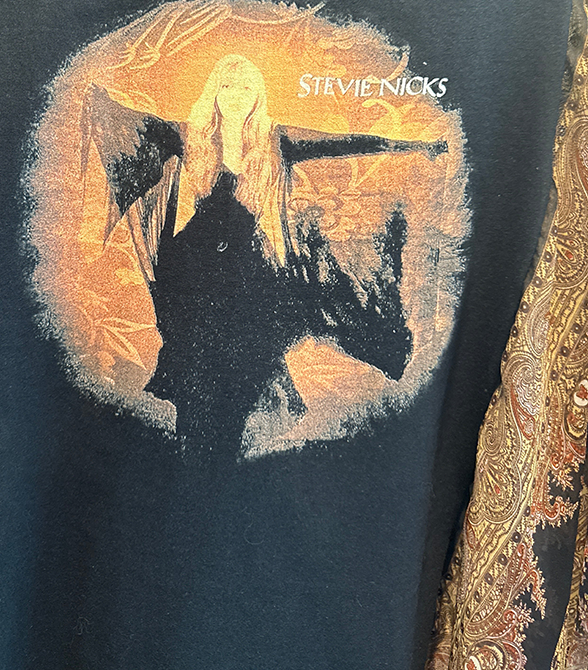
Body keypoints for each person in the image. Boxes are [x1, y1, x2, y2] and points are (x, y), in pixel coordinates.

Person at [81, 54, 446, 459]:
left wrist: (414, 146)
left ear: (257, 96)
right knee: (196, 373)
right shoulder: (190, 135)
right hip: (193, 269)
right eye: (227, 86)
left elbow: (341, 142)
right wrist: (96, 99)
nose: (235, 96)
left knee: (245, 367)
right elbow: (132, 127)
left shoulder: (274, 140)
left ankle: (225, 450)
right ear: (215, 93)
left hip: (244, 271)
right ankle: (196, 449)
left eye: (245, 88)